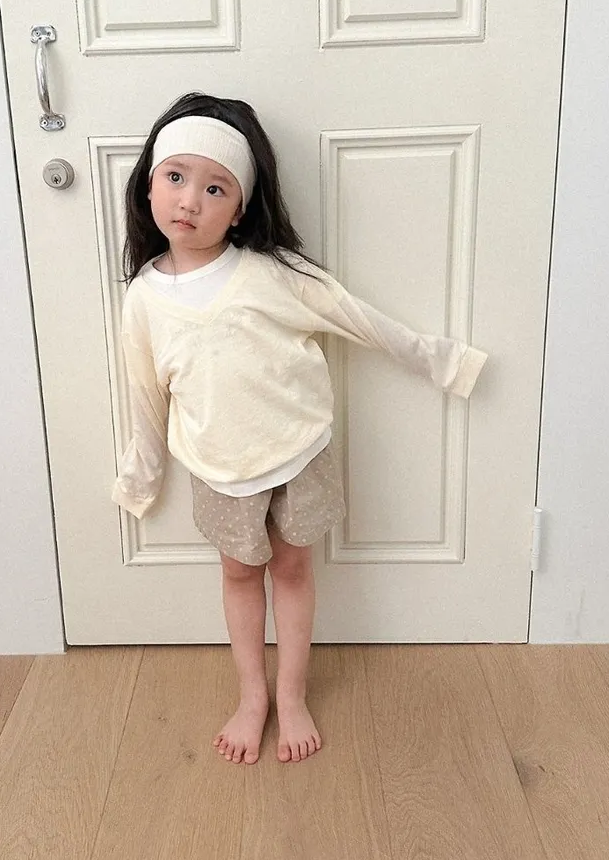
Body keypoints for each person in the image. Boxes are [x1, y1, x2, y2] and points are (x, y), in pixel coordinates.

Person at [112, 92, 488, 765]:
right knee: (238, 574)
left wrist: (445, 362)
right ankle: (251, 694)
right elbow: (144, 394)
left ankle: (291, 693)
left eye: (215, 187)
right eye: (176, 177)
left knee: (291, 568)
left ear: (240, 207)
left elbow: (360, 320)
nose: (190, 201)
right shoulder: (143, 298)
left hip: (297, 453)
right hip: (219, 467)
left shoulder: (273, 274)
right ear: (149, 185)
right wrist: (141, 478)